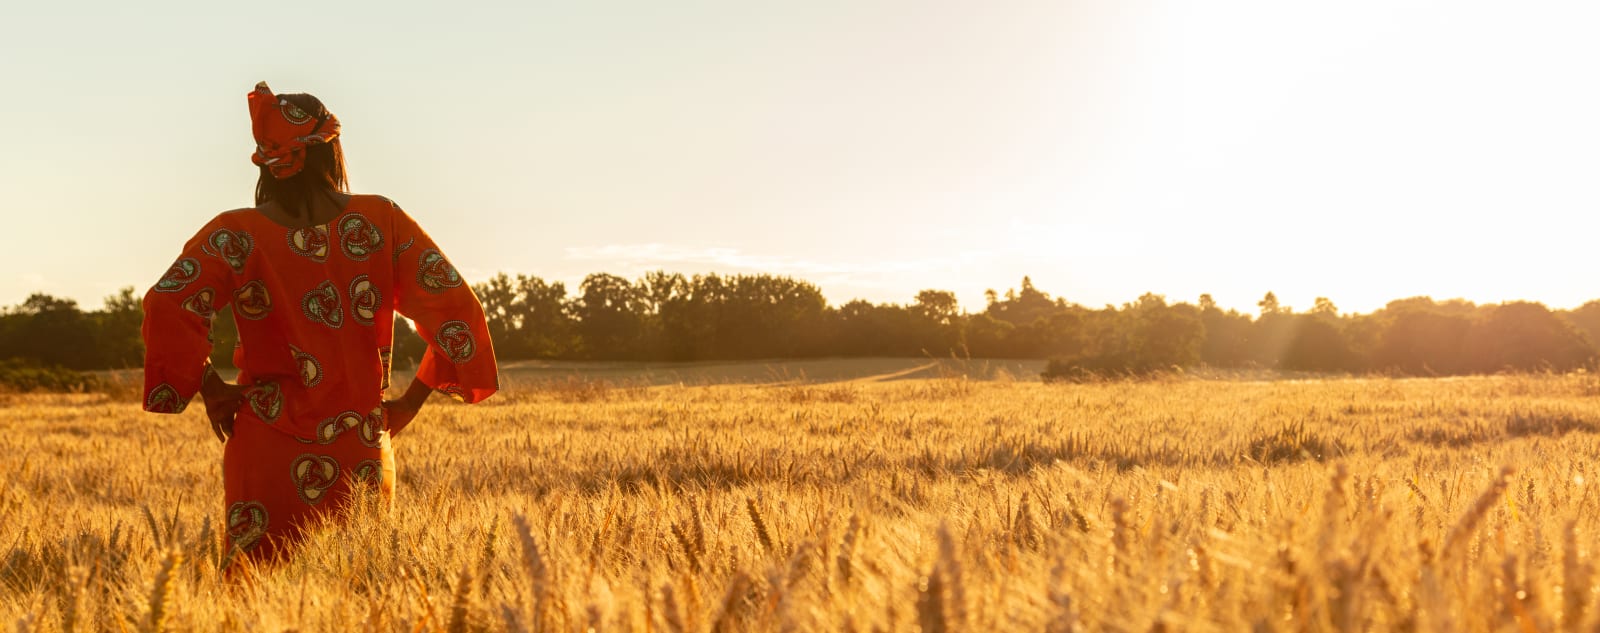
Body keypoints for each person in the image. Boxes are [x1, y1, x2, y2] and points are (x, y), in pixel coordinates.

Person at [140, 82, 498, 565]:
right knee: (355, 589)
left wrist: (211, 387)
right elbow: (457, 310)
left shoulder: (235, 233)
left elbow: (167, 304)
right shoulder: (379, 220)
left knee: (256, 594)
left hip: (266, 444)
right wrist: (409, 405)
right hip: (359, 443)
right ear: (330, 150)